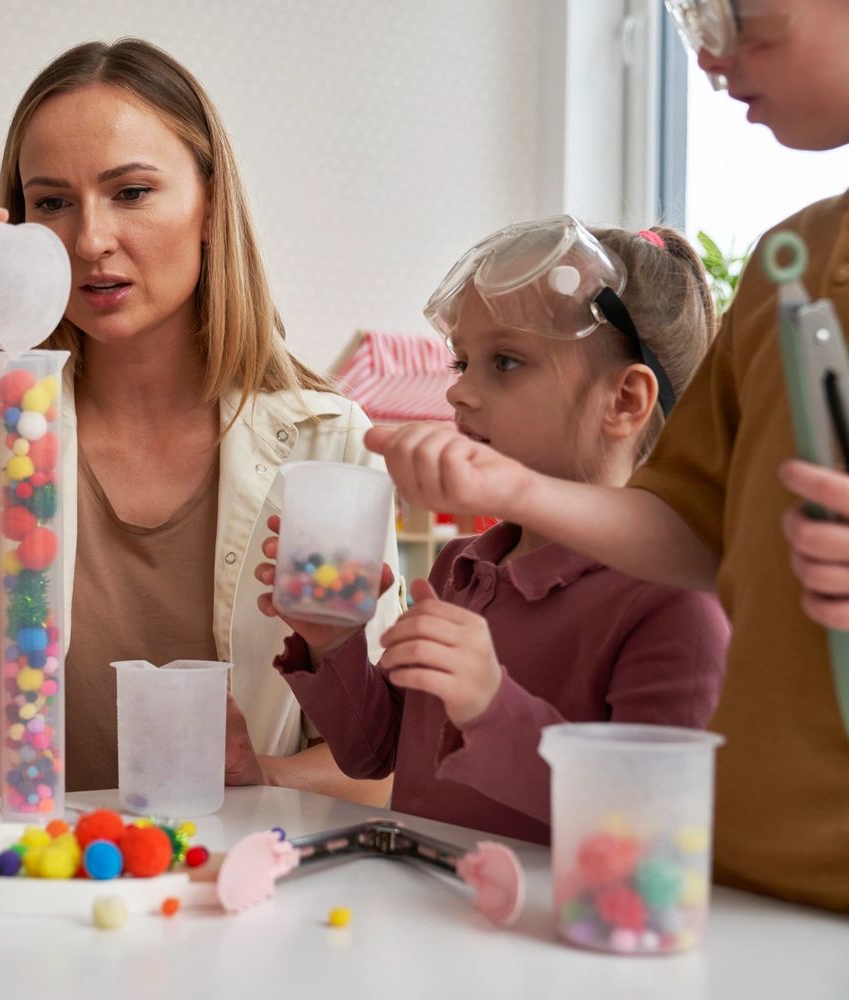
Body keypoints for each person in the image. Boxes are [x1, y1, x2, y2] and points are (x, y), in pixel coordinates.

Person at [367, 0, 849, 909]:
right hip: (753, 874)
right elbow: (694, 527)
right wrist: (510, 485)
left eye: (743, 12)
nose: (710, 59)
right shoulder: (792, 260)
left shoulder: (656, 618)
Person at [0, 38, 403, 802]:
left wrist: (259, 776)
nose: (90, 240)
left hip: (231, 887)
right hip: (21, 885)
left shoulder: (329, 444)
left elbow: (386, 765)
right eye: (53, 203)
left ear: (210, 205)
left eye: (131, 193)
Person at [259, 219, 729, 843]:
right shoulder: (463, 567)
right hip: (432, 915)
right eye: (463, 361)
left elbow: (649, 827)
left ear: (624, 401)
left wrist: (489, 704)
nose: (458, 391)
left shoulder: (673, 601)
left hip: (547, 936)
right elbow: (380, 755)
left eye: (505, 362)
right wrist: (333, 644)